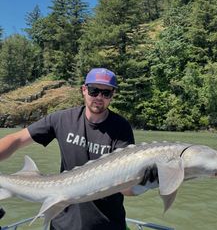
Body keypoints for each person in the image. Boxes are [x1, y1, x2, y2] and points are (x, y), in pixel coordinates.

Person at [0, 68, 135, 230]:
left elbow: (126, 187)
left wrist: (146, 181)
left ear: (113, 95)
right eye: (94, 91)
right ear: (84, 90)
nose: (99, 97)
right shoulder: (62, 119)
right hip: (62, 223)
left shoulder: (121, 128)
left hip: (107, 224)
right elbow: (17, 139)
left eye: (106, 93)